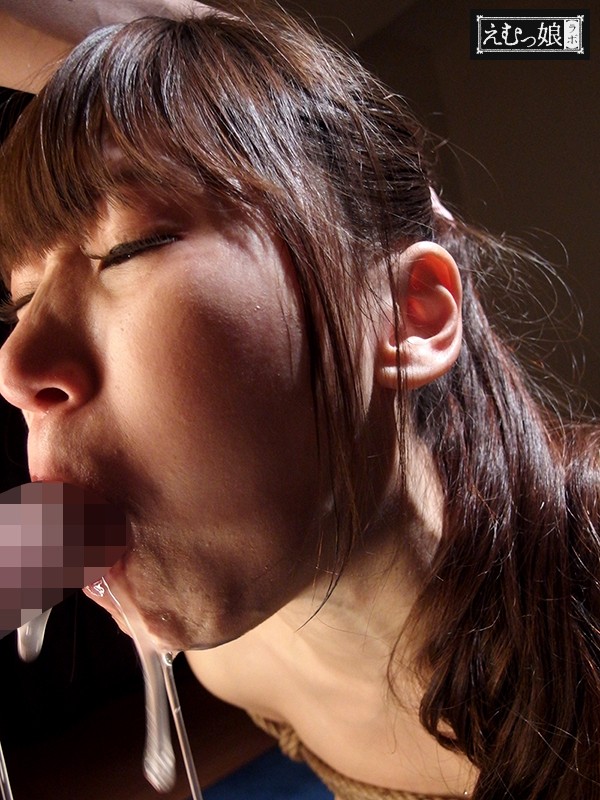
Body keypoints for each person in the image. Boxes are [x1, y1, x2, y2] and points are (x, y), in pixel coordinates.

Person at [0, 3, 598, 799]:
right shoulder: (232, 668)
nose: (14, 364)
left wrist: (208, 61)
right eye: (22, 302)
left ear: (407, 315)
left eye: (131, 248)